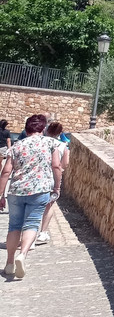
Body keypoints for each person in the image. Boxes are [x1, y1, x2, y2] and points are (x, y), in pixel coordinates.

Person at [0, 114, 62, 279]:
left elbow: (6, 171)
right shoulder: (51, 143)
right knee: (32, 224)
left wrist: (1, 195)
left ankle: (10, 262)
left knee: (14, 226)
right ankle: (23, 255)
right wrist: (57, 187)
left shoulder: (17, 146)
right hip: (40, 190)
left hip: (16, 191)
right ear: (43, 129)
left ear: (26, 129)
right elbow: (56, 166)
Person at [33, 121, 69, 248]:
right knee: (48, 206)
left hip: (36, 176)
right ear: (60, 133)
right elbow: (64, 164)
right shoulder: (62, 146)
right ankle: (43, 232)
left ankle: (28, 233)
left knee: (32, 204)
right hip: (52, 178)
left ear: (46, 130)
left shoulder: (39, 141)